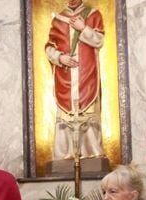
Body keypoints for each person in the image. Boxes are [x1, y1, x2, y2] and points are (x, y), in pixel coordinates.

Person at [45, 0, 105, 159]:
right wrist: (60, 57)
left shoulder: (93, 14)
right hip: (65, 76)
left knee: (88, 112)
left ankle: (92, 153)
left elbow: (99, 40)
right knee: (65, 117)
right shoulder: (59, 18)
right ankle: (64, 155)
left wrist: (83, 28)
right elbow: (49, 47)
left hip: (86, 74)